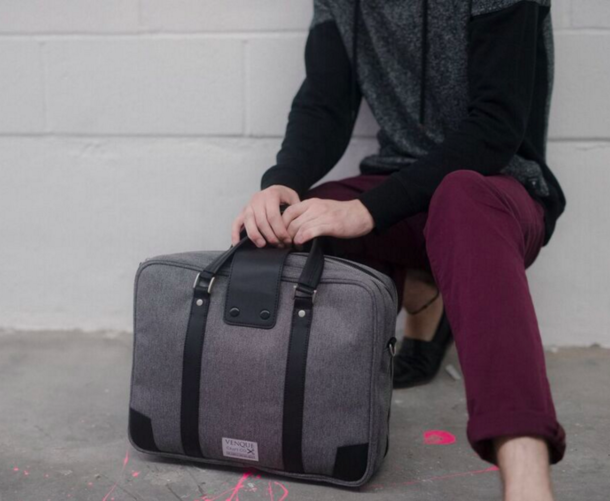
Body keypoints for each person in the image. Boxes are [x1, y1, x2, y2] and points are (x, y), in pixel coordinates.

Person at [230, 0, 566, 499]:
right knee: (298, 225)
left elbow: (496, 126)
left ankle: (527, 477)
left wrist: (368, 211)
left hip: (496, 188)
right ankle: (421, 293)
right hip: (399, 182)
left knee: (459, 196)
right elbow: (325, 103)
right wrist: (284, 182)